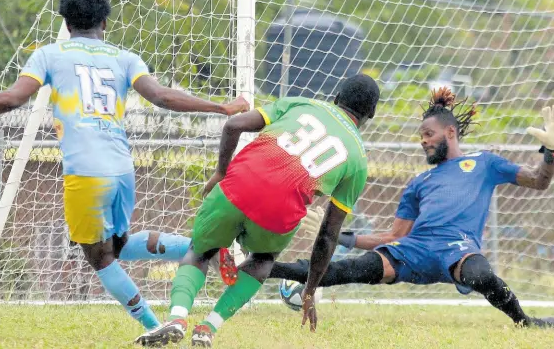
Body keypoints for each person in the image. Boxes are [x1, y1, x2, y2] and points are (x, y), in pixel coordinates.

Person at [0, 0, 248, 331]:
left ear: (66, 24)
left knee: (100, 257)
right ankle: (204, 248)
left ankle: (154, 326)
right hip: (122, 168)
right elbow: (161, 96)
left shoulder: (50, 55)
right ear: (105, 23)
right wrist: (219, 107)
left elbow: (11, 99)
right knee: (121, 245)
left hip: (86, 173)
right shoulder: (125, 58)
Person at [269, 88, 554, 331]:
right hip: (412, 253)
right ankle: (258, 268)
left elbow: (538, 181)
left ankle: (526, 322)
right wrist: (337, 237)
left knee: (482, 275)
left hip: (457, 250)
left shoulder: (484, 163)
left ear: (450, 132)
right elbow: (393, 236)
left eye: (429, 135)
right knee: (337, 273)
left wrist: (552, 152)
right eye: (421, 137)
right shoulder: (419, 182)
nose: (423, 142)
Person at [136, 74, 381, 347]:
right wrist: (310, 289)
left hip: (237, 187)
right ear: (371, 113)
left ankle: (177, 317)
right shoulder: (358, 161)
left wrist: (220, 172)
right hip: (279, 213)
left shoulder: (301, 104)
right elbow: (328, 233)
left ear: (336, 97)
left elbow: (233, 125)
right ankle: (208, 327)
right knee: (263, 259)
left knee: (200, 250)